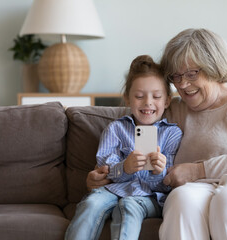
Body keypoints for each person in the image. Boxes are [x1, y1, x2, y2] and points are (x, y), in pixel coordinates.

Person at [86, 28, 227, 240]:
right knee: (180, 200)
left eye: (191, 73)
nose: (182, 85)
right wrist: (101, 175)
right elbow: (131, 132)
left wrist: (198, 171)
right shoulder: (173, 108)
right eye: (175, 76)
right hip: (201, 189)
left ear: (213, 66)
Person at [65, 55, 182, 240]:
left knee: (129, 206)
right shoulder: (116, 129)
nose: (148, 102)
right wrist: (124, 168)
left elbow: (169, 183)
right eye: (139, 96)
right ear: (127, 98)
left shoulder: (172, 134)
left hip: (149, 197)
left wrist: (159, 171)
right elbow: (104, 167)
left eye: (156, 96)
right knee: (92, 203)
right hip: (113, 190)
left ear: (167, 100)